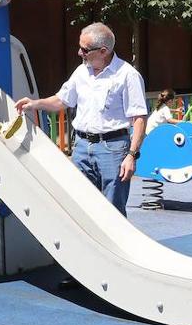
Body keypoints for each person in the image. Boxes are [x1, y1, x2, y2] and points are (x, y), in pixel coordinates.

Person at [14, 22, 147, 216]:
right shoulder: (81, 72)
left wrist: (131, 155)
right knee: (79, 205)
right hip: (82, 146)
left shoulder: (127, 75)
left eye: (84, 49)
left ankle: (108, 246)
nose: (79, 52)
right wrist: (35, 103)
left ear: (103, 51)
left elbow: (139, 118)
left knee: (113, 210)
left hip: (113, 148)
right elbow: (62, 100)